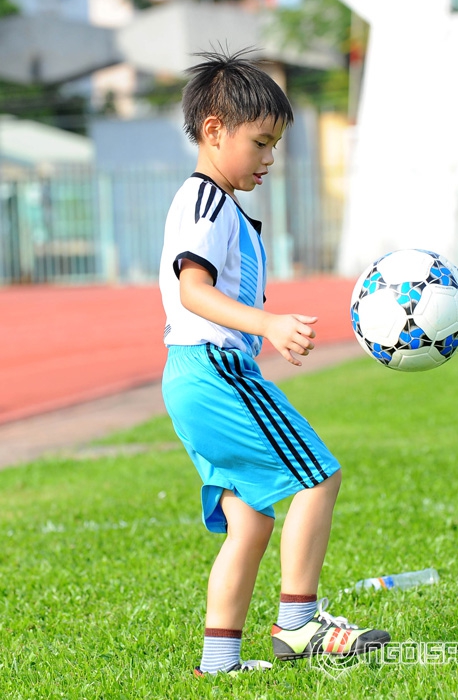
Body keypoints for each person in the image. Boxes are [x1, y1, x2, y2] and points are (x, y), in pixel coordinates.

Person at [159, 48, 390, 676]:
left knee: (251, 520)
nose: (268, 160)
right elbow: (193, 289)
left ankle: (220, 659)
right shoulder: (206, 201)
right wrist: (268, 324)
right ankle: (299, 624)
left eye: (275, 146)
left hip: (189, 377)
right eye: (260, 144)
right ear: (214, 130)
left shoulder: (221, 206)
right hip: (215, 371)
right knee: (319, 477)